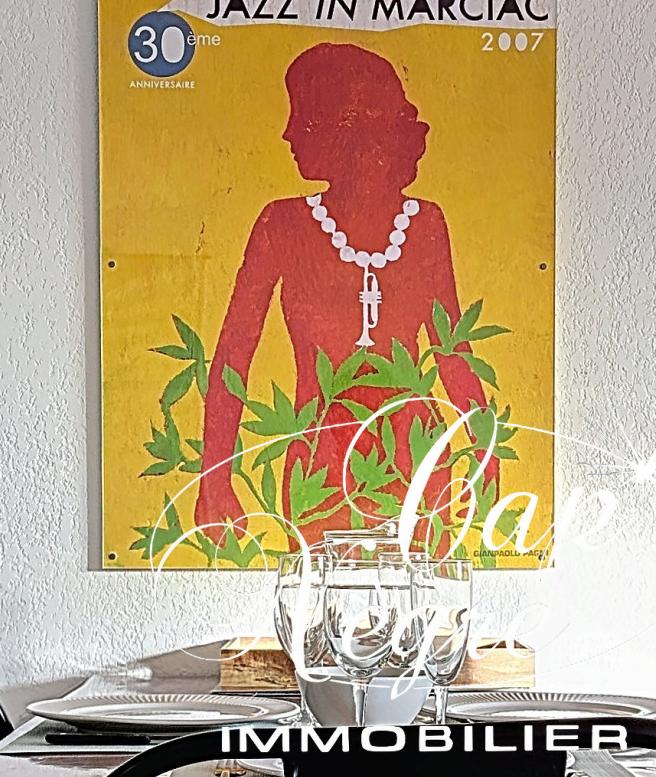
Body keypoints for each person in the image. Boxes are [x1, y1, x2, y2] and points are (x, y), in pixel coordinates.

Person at [194, 44, 491, 534]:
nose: (288, 132)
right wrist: (214, 479)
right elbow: (233, 356)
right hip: (320, 464)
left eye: (304, 117)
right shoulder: (282, 224)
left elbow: (452, 354)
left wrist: (485, 451)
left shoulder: (425, 225)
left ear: (346, 129)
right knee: (317, 581)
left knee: (417, 579)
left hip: (416, 456)